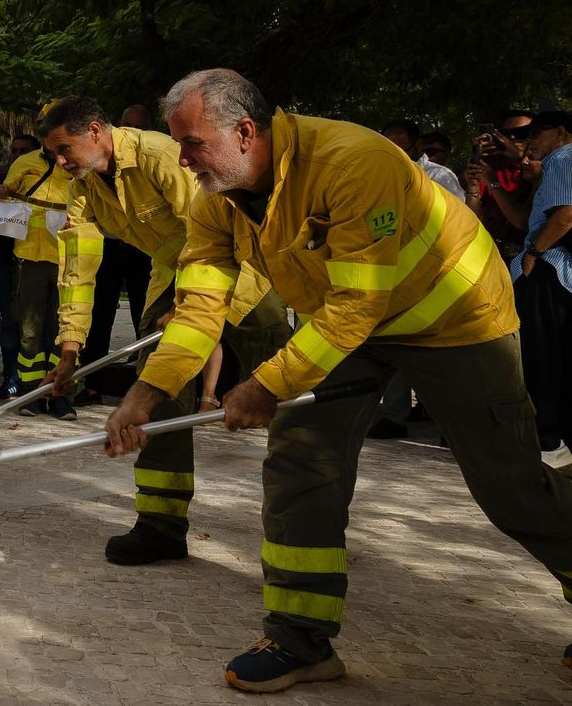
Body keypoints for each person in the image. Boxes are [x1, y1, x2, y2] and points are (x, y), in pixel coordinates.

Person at [105, 68, 572, 692]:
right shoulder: (215, 198)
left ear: (245, 131)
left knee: (510, 487)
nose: (183, 160)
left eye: (191, 143)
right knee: (300, 460)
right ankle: (300, 639)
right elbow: (200, 306)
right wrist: (147, 393)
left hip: (455, 318)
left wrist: (265, 384)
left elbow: (359, 304)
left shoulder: (353, 161)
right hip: (349, 323)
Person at [39, 95, 291, 564]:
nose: (58, 161)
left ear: (95, 131)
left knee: (288, 388)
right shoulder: (80, 182)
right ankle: (160, 525)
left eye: (63, 149)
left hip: (241, 269)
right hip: (171, 271)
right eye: (51, 153)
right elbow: (77, 265)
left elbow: (218, 229)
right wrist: (70, 348)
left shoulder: (159, 155)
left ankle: (300, 520)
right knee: (155, 390)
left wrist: (195, 309)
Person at [369, 118, 468, 439]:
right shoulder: (378, 175)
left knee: (439, 355)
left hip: (435, 277)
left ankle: (449, 425)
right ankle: (393, 416)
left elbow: (456, 223)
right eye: (387, 141)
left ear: (416, 145)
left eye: (400, 142)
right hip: (395, 276)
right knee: (398, 344)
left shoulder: (440, 177)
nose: (394, 148)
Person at [0, 131, 71, 416]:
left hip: (69, 258)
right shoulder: (24, 162)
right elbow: (6, 194)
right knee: (30, 332)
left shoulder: (78, 162)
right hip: (29, 259)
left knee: (64, 332)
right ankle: (30, 393)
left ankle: (59, 394)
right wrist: (2, 191)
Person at [511, 110, 572, 468]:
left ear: (561, 132)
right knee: (557, 357)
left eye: (537, 132)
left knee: (542, 357)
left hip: (549, 269)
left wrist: (534, 252)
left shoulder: (563, 157)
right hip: (557, 270)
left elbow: (565, 215)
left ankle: (548, 442)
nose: (530, 140)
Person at [0, 134, 39, 398]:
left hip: (36, 262)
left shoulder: (50, 179)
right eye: (14, 150)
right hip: (5, 262)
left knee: (35, 325)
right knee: (8, 321)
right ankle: (9, 377)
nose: (18, 155)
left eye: (25, 150)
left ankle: (35, 383)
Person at [465, 111, 535, 259]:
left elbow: (523, 221)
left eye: (521, 132)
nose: (512, 138)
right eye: (505, 133)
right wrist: (473, 185)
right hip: (497, 256)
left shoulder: (543, 170)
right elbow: (474, 220)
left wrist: (521, 158)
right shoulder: (493, 170)